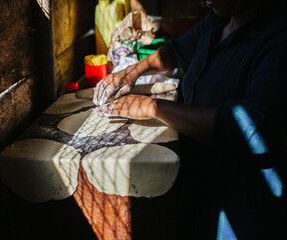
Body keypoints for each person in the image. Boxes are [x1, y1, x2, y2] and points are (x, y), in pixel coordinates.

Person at [94, 0, 287, 239]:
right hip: (199, 176)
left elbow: (251, 125)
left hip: (243, 198)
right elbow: (172, 53)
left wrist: (151, 106)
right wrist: (131, 71)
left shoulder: (278, 37)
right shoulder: (219, 19)